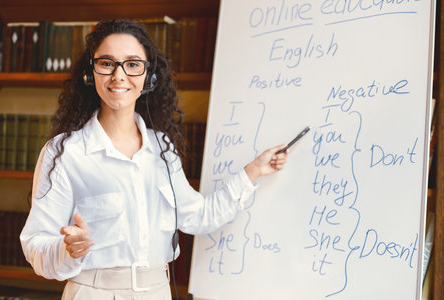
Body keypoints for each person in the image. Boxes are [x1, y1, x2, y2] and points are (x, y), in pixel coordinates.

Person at [20, 19, 290, 300]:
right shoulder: (65, 152)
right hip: (93, 292)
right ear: (92, 72)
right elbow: (35, 244)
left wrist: (255, 170)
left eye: (133, 64)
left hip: (157, 291)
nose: (119, 75)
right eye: (107, 63)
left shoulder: (162, 148)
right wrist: (67, 250)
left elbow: (199, 216)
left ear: (149, 76)